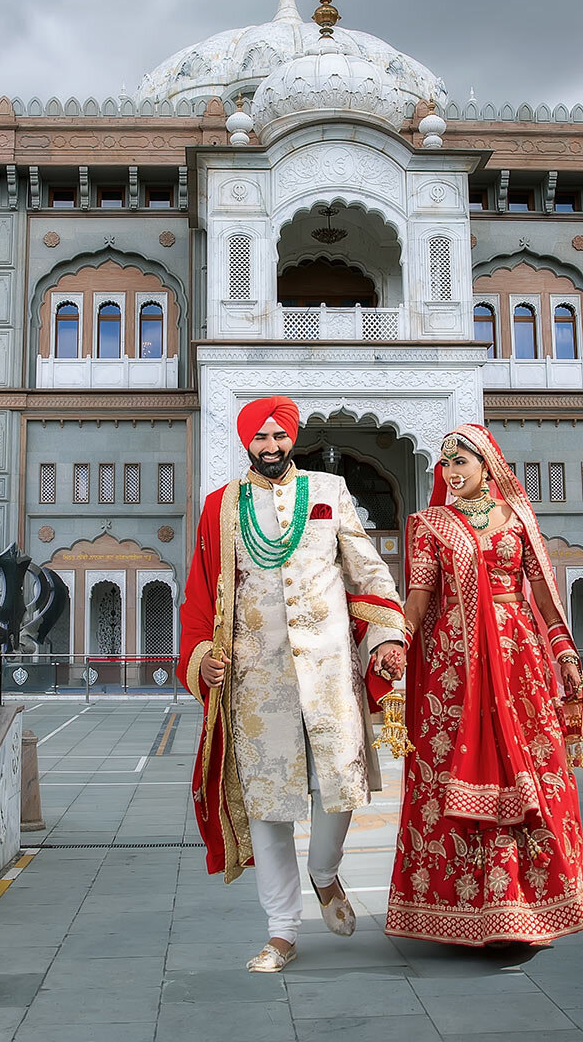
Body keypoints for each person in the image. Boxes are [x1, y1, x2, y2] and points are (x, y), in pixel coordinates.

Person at [177, 396, 407, 972]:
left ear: (292, 438)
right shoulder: (220, 507)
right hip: (256, 682)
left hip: (329, 670)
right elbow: (203, 591)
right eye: (262, 439)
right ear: (246, 442)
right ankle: (281, 931)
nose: (273, 447)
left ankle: (324, 874)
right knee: (268, 807)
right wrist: (204, 656)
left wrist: (385, 637)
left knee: (341, 785)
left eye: (281, 437)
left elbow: (368, 569)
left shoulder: (329, 492)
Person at [384, 423, 583, 946]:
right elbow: (419, 600)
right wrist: (395, 643)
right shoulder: (430, 524)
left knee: (534, 773)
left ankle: (529, 912)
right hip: (453, 671)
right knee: (448, 779)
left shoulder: (519, 519)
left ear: (488, 465)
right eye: (445, 464)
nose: (452, 473)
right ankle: (462, 912)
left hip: (518, 661)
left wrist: (564, 650)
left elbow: (543, 596)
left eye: (462, 462)